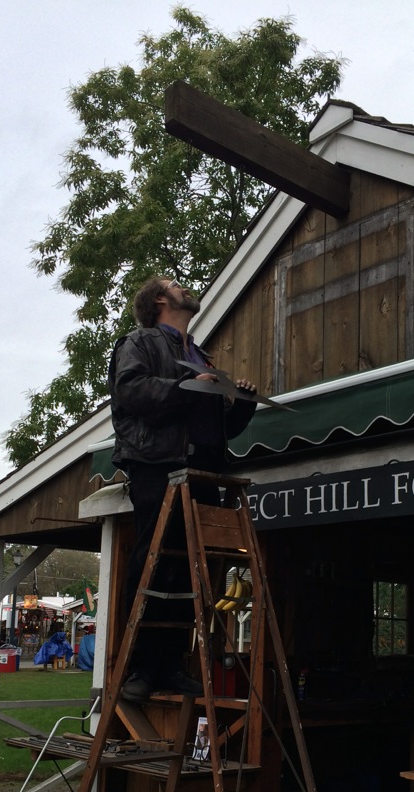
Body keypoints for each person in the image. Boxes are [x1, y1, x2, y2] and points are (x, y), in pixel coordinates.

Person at [108, 275, 257, 701]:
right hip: (159, 465)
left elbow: (218, 427)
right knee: (154, 564)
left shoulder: (199, 355)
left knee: (193, 571)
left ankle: (172, 666)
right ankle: (140, 669)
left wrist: (242, 404)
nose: (185, 287)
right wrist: (188, 386)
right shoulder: (139, 342)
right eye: (175, 284)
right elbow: (132, 391)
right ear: (159, 299)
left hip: (204, 470)